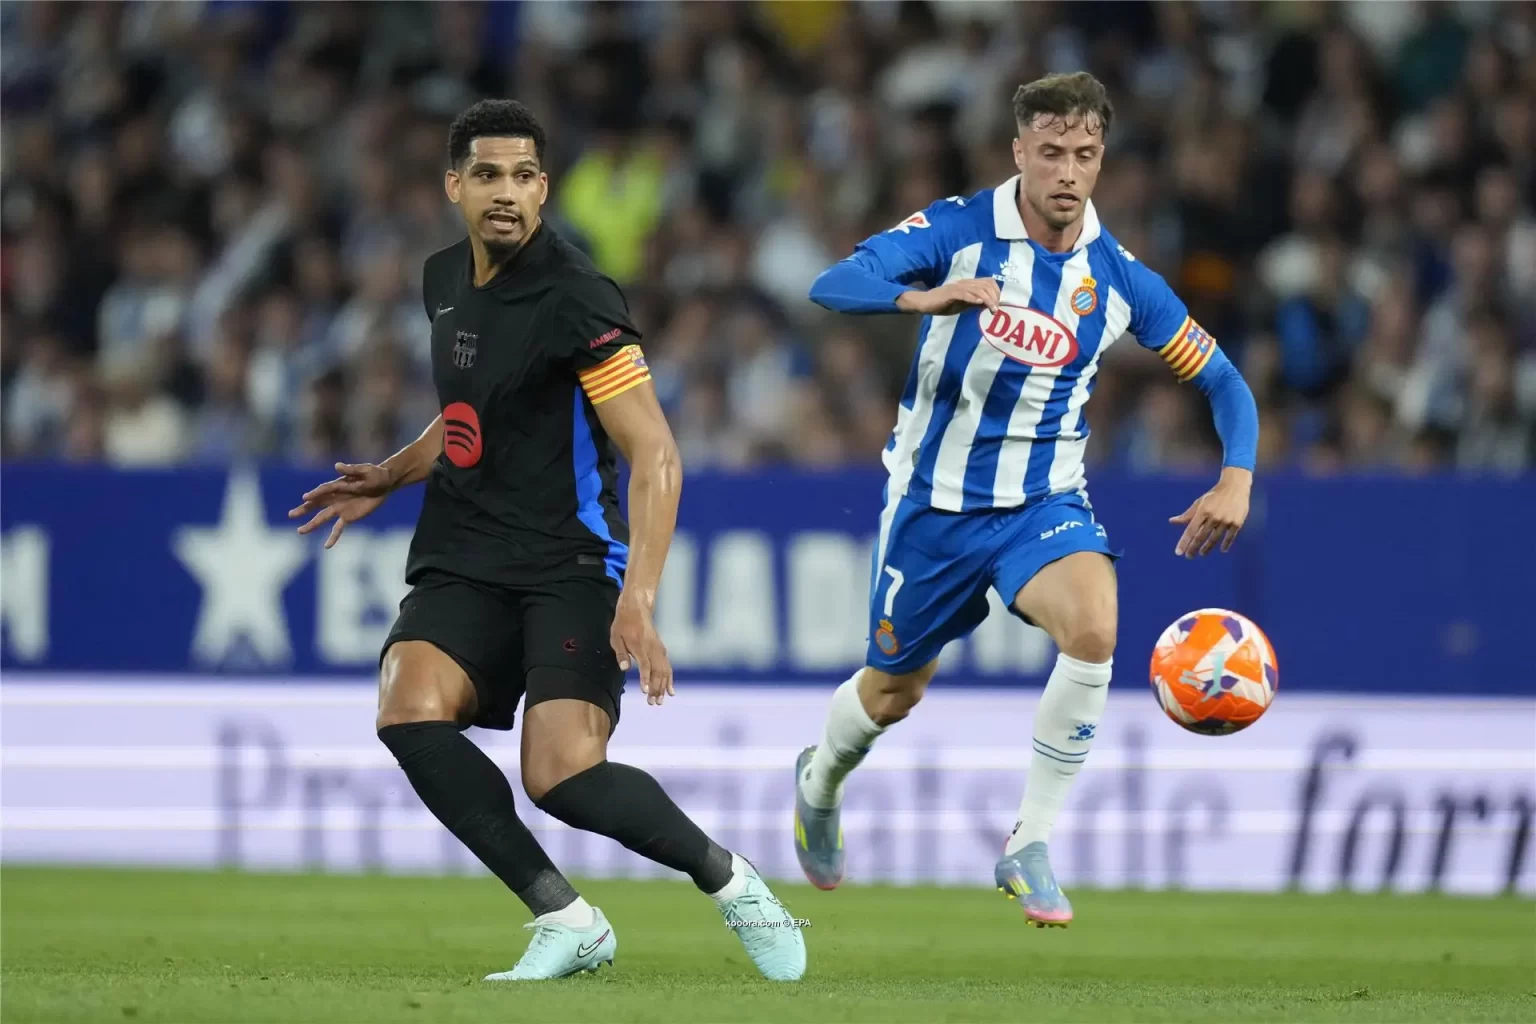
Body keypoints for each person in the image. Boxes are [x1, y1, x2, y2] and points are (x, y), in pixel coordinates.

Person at [289, 100, 805, 982]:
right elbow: (472, 411)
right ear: (453, 186)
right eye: (487, 174)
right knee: (406, 707)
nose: (506, 192)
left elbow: (656, 452)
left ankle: (729, 878)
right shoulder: (442, 279)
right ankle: (566, 918)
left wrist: (639, 598)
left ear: (543, 189)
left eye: (523, 176)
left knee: (561, 775)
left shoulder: (577, 296)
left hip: (569, 559)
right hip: (465, 551)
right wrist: (393, 471)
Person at [791, 73, 1259, 927]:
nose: (1067, 171)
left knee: (1095, 627)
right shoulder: (959, 230)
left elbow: (1223, 379)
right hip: (932, 508)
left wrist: (1237, 475)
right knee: (893, 693)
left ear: (1102, 159)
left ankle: (1029, 843)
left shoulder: (1119, 278)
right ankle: (819, 782)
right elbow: (834, 281)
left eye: (1084, 153)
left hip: (1041, 504)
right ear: (1018, 152)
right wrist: (921, 297)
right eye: (1050, 152)